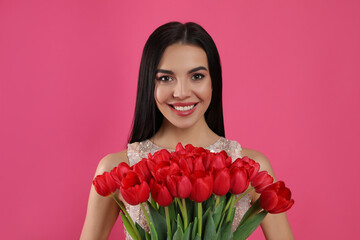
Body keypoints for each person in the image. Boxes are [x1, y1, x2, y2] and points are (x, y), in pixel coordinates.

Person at [80, 22, 294, 240]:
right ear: (149, 84)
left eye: (197, 76)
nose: (181, 92)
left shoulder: (249, 168)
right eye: (165, 78)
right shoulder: (118, 170)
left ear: (214, 82)